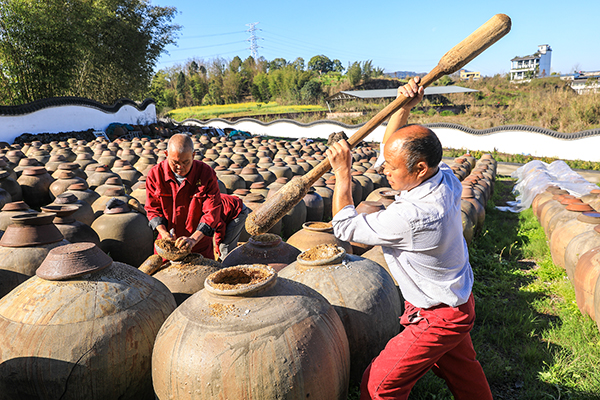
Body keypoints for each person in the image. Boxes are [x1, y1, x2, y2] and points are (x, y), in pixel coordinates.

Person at [325, 76, 493, 400]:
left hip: (437, 316)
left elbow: (344, 227)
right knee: (465, 375)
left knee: (379, 385)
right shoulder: (443, 179)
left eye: (391, 167)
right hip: (456, 302)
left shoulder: (412, 218)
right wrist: (404, 107)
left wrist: (342, 173)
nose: (383, 170)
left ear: (418, 168)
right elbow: (393, 147)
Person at [145, 133, 245, 259]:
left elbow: (212, 212)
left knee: (202, 276)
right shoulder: (155, 175)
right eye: (174, 162)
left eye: (186, 162)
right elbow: (152, 209)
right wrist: (164, 233)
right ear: (166, 154)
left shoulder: (206, 174)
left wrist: (193, 239)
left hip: (199, 244)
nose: (180, 167)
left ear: (193, 155)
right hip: (168, 246)